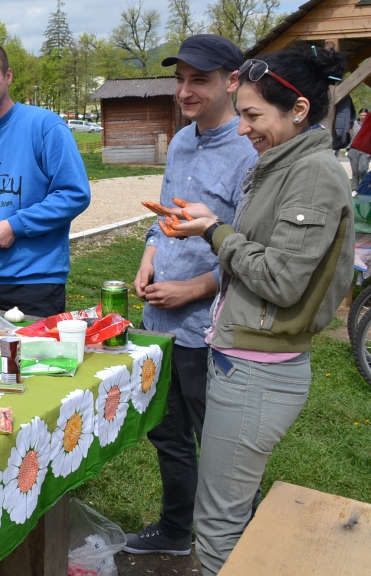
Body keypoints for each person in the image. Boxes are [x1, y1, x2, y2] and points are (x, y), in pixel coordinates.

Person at [146, 44, 353, 576]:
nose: (243, 129)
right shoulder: (281, 162)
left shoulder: (311, 173)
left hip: (260, 369)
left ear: (299, 110)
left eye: (254, 115)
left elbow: (282, 279)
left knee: (219, 524)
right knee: (224, 507)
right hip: (241, 356)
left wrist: (215, 231)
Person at [125, 35, 257, 556]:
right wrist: (148, 260)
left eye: (198, 80)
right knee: (168, 435)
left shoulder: (251, 151)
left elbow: (251, 252)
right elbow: (164, 222)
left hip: (211, 330)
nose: (185, 90)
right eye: (180, 79)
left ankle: (244, 545)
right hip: (159, 324)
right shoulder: (180, 141)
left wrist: (194, 289)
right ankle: (177, 529)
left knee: (221, 447)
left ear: (232, 81)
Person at [0, 41, 91, 317]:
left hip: (37, 281)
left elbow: (74, 193)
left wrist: (16, 225)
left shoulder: (45, 126)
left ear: (8, 76)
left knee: (32, 361)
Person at [349, 108, 369, 191]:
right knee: (355, 171)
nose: (363, 117)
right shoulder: (353, 124)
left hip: (365, 150)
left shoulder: (369, 124)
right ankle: (355, 189)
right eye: (361, 115)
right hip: (353, 149)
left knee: (362, 169)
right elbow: (350, 135)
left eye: (365, 115)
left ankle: (363, 186)